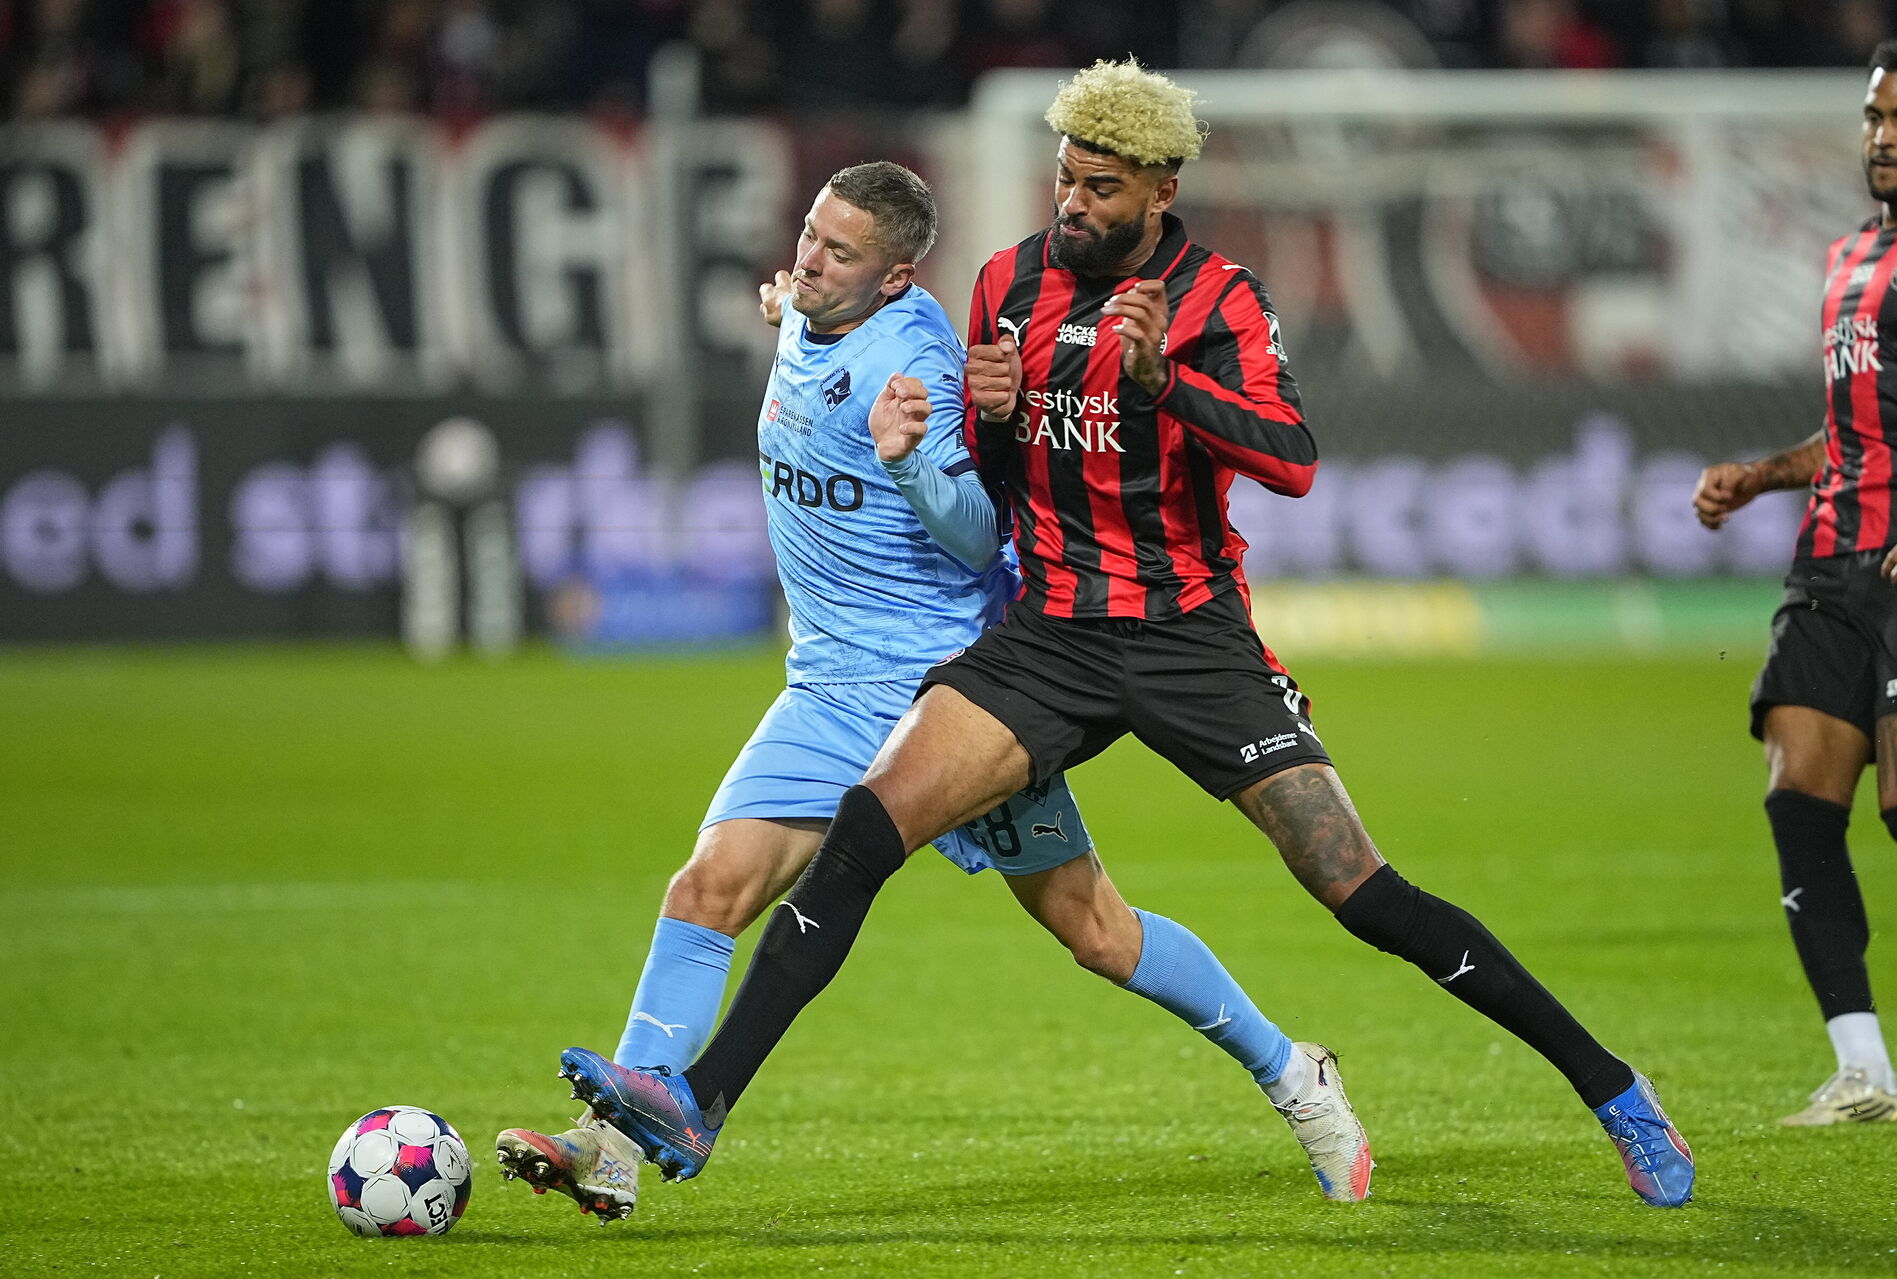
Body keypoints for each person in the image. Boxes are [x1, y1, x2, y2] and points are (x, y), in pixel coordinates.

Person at [557, 61, 1696, 1210]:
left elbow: (1293, 460)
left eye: (1100, 187)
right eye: (1064, 178)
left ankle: (1615, 1090)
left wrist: (1163, 384)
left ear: (1162, 187)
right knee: (864, 828)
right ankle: (696, 1106)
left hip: (1190, 635)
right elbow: (993, 482)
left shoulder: (1219, 299)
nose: (1072, 203)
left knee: (1359, 887)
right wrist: (988, 423)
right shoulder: (1007, 283)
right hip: (1049, 633)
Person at [497, 160, 1372, 1221]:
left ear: (897, 274)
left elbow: (982, 533)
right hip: (825, 688)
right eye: (811, 235)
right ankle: (612, 1148)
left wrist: (909, 461)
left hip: (944, 694)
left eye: (840, 251)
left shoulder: (917, 363)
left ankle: (1293, 1073)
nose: (810, 260)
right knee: (706, 889)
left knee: (1095, 928)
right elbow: (804, 312)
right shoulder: (810, 309)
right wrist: (795, 299)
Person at [1690, 38, 1897, 1129]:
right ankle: (1864, 1068)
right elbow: (1853, 437)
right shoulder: (1849, 258)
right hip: (1832, 566)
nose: (1884, 137)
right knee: (1799, 805)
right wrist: (1761, 476)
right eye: (1876, 116)